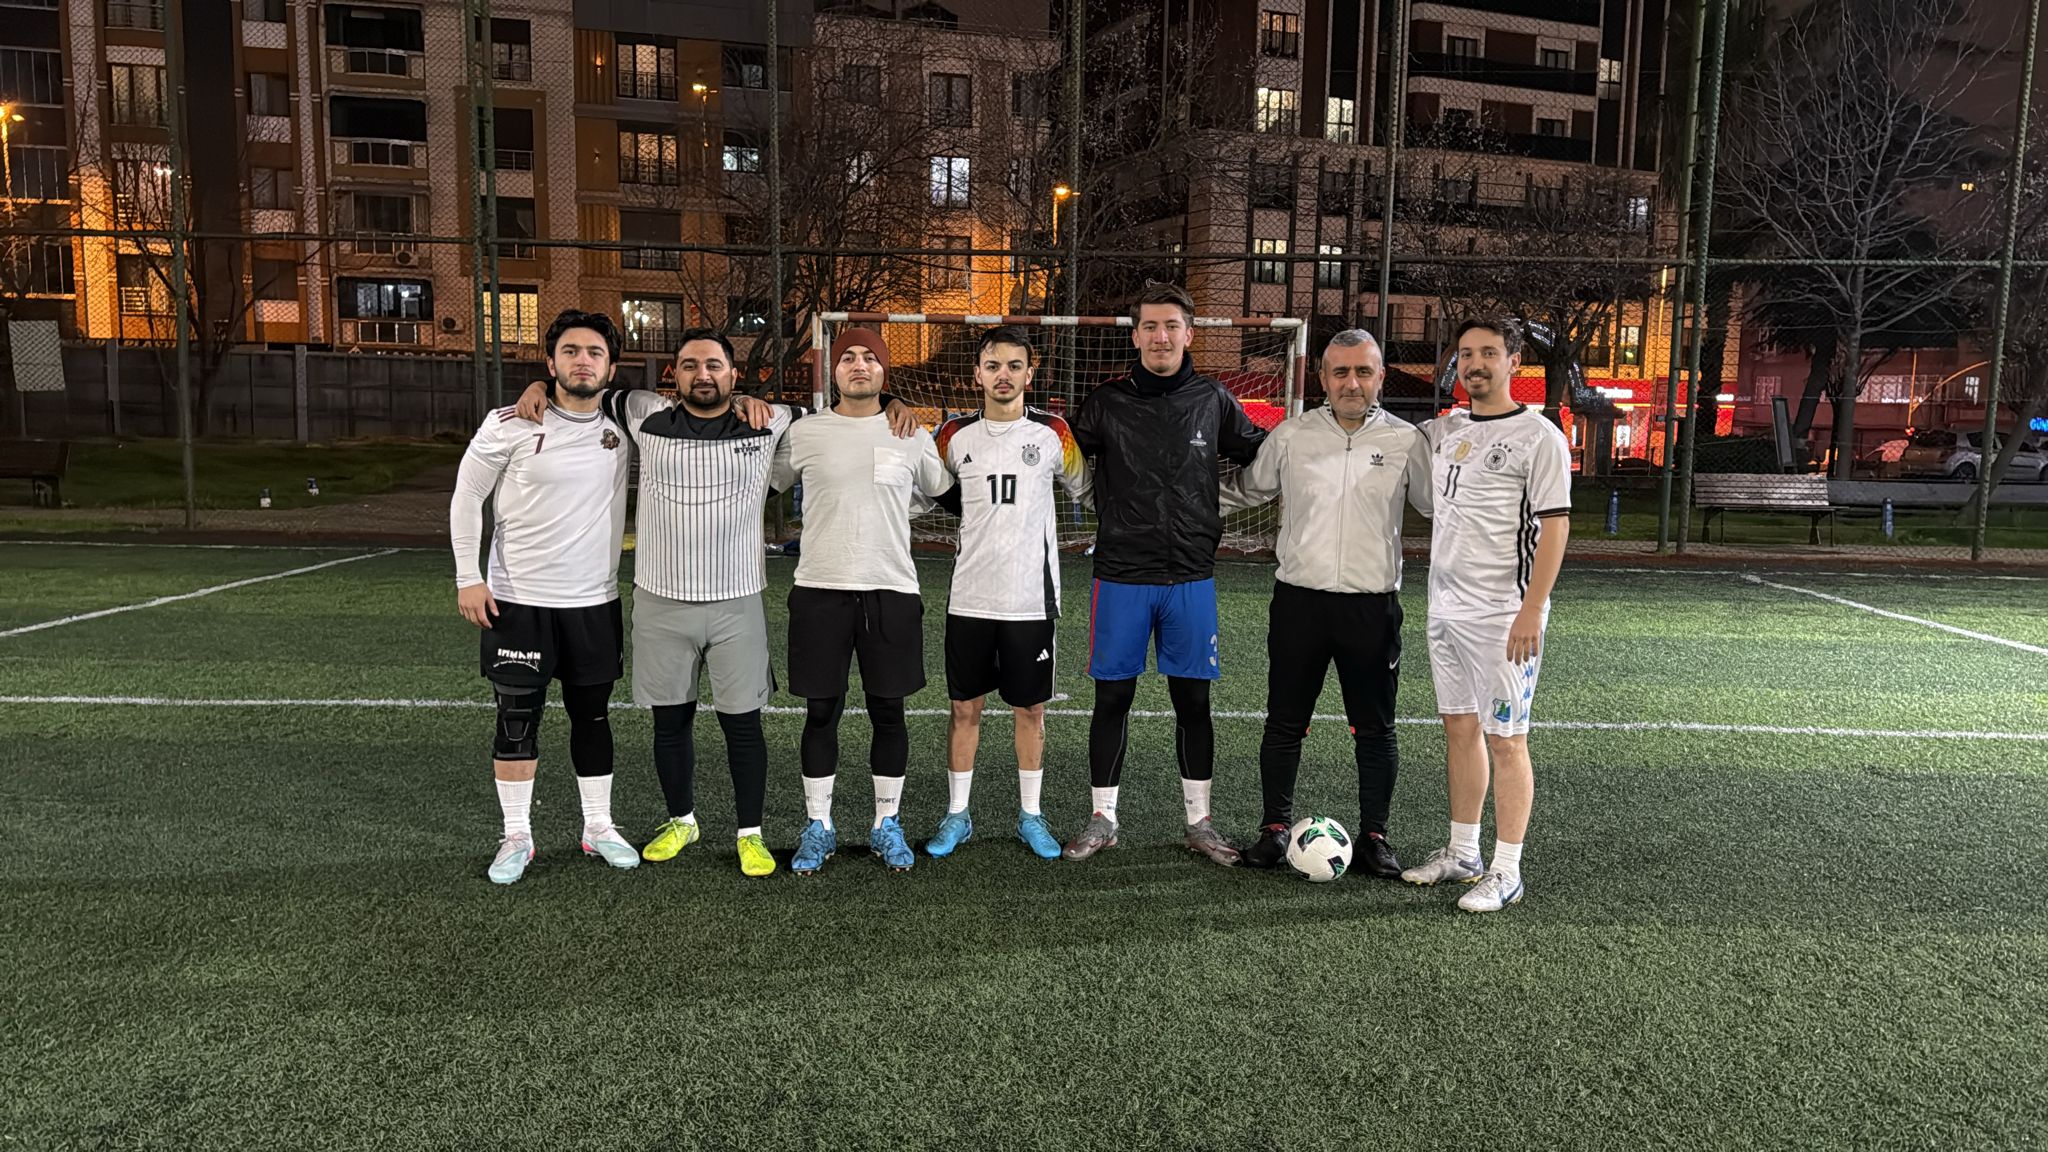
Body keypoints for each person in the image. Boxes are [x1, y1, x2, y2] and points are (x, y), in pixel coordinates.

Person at [1063, 281, 1266, 866]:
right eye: (1150, 326)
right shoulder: (1105, 402)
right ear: (1135, 336)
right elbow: (1058, 448)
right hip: (1121, 575)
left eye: (1171, 325)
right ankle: (1103, 819)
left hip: (1191, 576)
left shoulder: (1213, 398)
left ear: (1189, 333)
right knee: (1113, 699)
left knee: (1193, 703)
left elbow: (1261, 452)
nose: (1160, 336)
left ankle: (1200, 824)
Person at [1222, 329, 1431, 877]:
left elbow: (1441, 505)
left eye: (1363, 371)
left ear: (1380, 376)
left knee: (1376, 729)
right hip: (1300, 604)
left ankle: (1375, 837)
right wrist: (1173, 501)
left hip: (1372, 607)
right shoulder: (1292, 435)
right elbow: (1245, 489)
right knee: (1284, 722)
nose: (1351, 383)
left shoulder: (1407, 440)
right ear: (1322, 378)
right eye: (1340, 372)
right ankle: (1273, 830)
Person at [450, 309, 637, 885]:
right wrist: (467, 577)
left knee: (593, 718)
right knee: (516, 722)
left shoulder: (626, 424)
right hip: (517, 602)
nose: (583, 360)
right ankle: (516, 836)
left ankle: (598, 826)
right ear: (550, 362)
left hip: (593, 602)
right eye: (571, 351)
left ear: (611, 367)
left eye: (595, 352)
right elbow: (466, 497)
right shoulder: (508, 422)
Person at [1400, 317, 1571, 913]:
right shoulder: (1445, 430)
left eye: (1489, 353)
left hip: (1503, 616)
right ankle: (1463, 852)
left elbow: (1555, 528)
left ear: (1513, 362)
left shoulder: (1539, 436)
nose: (1475, 364)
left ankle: (1507, 870)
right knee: (1459, 729)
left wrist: (1532, 608)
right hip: (1444, 609)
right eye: (1467, 353)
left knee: (1507, 740)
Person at [770, 327, 952, 875]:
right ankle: (818, 825)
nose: (857, 364)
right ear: (834, 370)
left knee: (888, 711)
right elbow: (760, 481)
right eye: (847, 356)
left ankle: (885, 823)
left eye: (869, 357)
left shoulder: (909, 433)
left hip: (890, 589)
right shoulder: (806, 432)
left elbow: (944, 493)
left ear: (883, 371)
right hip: (819, 589)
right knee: (820, 712)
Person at [925, 326, 1091, 861]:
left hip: (1030, 601)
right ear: (977, 373)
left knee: (1031, 711)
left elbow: (1088, 489)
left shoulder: (1053, 433)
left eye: (1014, 365)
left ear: (1029, 373)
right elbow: (926, 487)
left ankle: (1030, 816)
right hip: (969, 598)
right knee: (963, 709)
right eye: (993, 365)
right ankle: (957, 816)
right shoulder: (953, 435)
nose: (1003, 375)